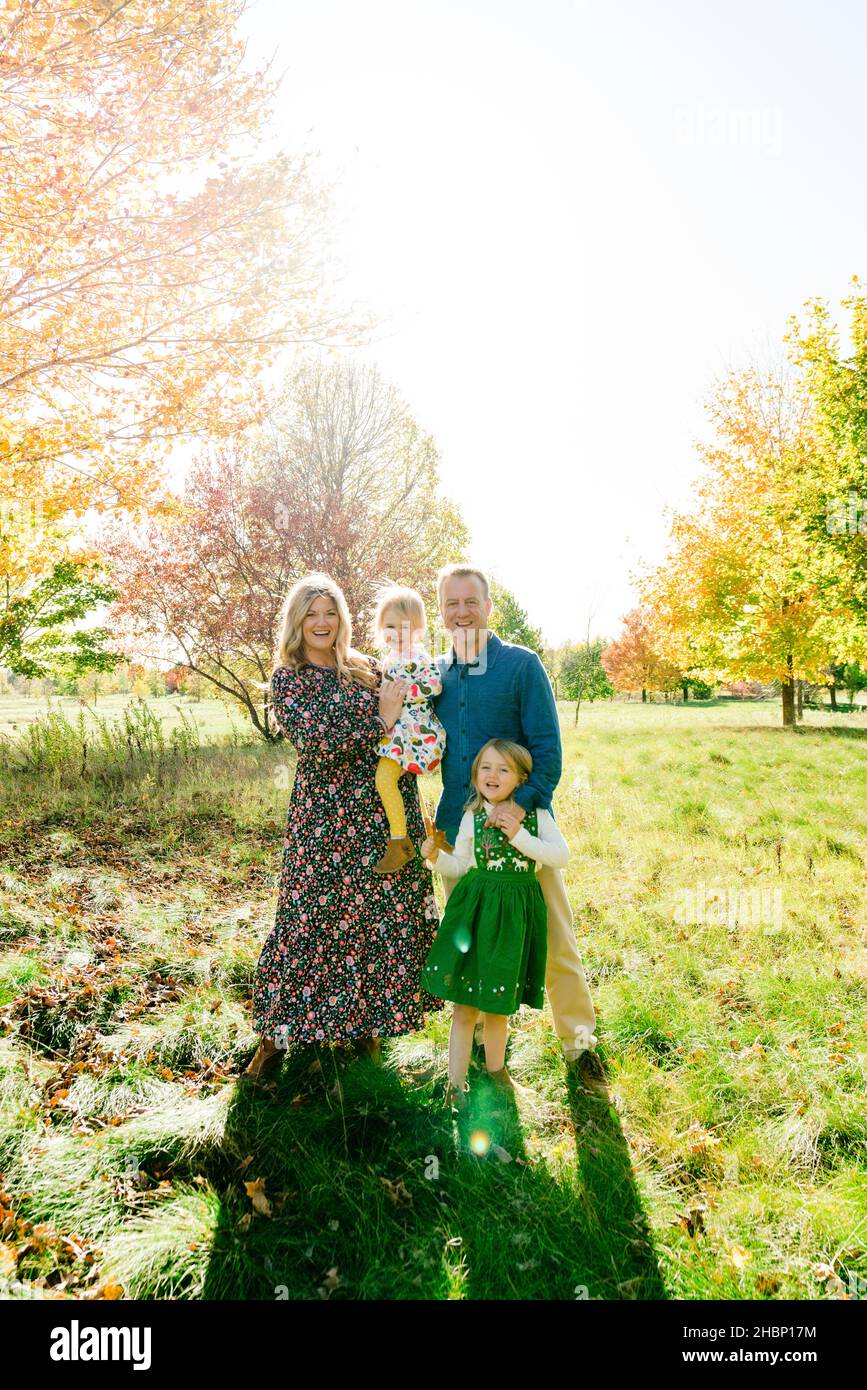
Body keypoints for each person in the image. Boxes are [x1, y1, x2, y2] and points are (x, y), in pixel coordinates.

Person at [243, 572, 441, 1082]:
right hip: (325, 821)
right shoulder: (289, 677)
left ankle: (366, 1033)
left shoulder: (365, 668)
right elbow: (315, 741)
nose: (322, 623)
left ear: (343, 620)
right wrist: (379, 719)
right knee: (307, 919)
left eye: (330, 613)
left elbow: (414, 711)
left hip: (381, 812)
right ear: (297, 621)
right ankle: (274, 1040)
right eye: (312, 614)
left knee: (377, 920)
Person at [432, 563, 605, 1093]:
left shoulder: (521, 666)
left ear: (488, 608)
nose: (461, 612)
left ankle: (579, 1041)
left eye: (470, 602)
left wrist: (521, 808)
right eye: (451, 604)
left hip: (517, 829)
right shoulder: (434, 674)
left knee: (552, 933)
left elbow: (548, 752)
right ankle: (488, 1053)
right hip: (455, 831)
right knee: (472, 944)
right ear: (440, 612)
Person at [420, 739, 569, 1109]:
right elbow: (462, 865)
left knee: (499, 1003)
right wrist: (436, 858)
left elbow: (561, 856)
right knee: (466, 1004)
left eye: (504, 769)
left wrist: (519, 835)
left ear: (520, 779)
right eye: (485, 767)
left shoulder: (536, 816)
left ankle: (496, 1071)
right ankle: (455, 1085)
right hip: (475, 914)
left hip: (514, 916)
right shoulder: (471, 815)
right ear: (475, 774)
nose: (493, 775)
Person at [369, 584, 447, 875]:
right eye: (389, 626)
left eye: (405, 627)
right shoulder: (391, 658)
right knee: (393, 782)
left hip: (412, 734)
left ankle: (399, 841)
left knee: (384, 780)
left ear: (418, 629)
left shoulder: (416, 656)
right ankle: (427, 833)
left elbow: (433, 685)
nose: (396, 633)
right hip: (399, 732)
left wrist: (401, 692)